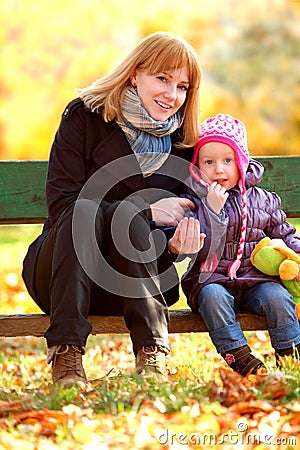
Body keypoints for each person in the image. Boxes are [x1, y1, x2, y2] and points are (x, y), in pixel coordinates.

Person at [22, 32, 205, 387]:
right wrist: (146, 210)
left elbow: (194, 211)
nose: (172, 95)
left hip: (138, 279)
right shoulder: (85, 117)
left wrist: (178, 242)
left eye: (182, 87)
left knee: (133, 225)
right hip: (67, 275)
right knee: (85, 210)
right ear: (135, 73)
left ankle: (152, 355)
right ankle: (66, 353)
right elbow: (63, 206)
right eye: (162, 78)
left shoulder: (185, 143)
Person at [180, 113, 300, 376]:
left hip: (257, 280)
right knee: (212, 298)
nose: (218, 169)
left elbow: (285, 233)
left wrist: (298, 254)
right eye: (208, 162)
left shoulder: (264, 201)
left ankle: (290, 355)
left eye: (227, 160)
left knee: (278, 297)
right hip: (210, 280)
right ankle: (243, 359)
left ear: (242, 162)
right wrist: (211, 210)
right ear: (197, 166)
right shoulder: (192, 201)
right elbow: (200, 249)